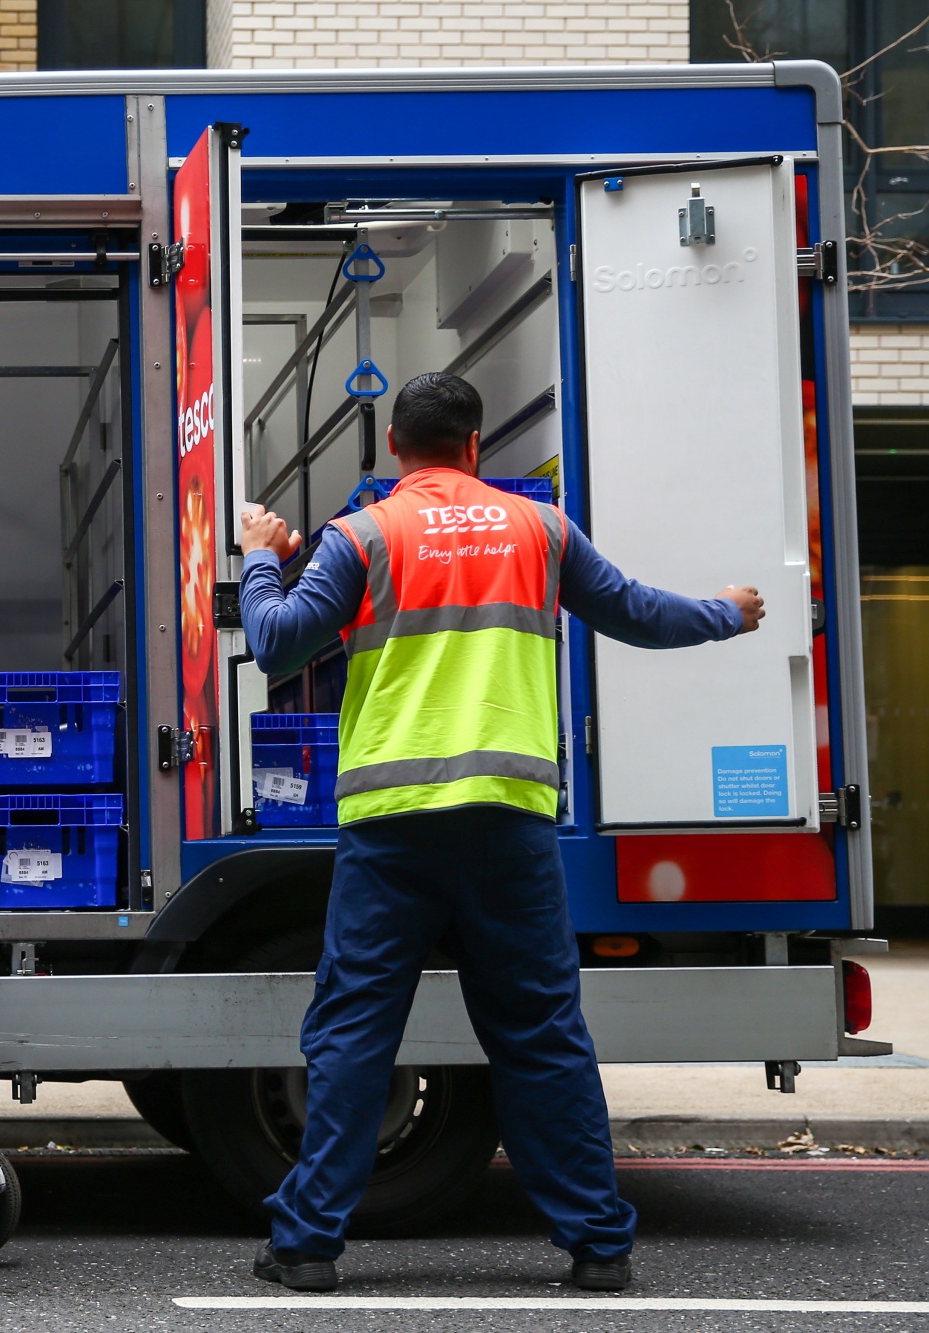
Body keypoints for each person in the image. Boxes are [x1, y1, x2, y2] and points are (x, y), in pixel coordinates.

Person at [238, 371, 764, 1295]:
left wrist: (258, 554)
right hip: (510, 825)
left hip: (393, 830)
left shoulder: (363, 535)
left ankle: (309, 1244)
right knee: (540, 1032)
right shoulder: (541, 531)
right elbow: (638, 613)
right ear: (477, 445)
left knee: (357, 1031)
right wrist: (728, 612)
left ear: (394, 448)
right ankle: (598, 1245)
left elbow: (276, 641)